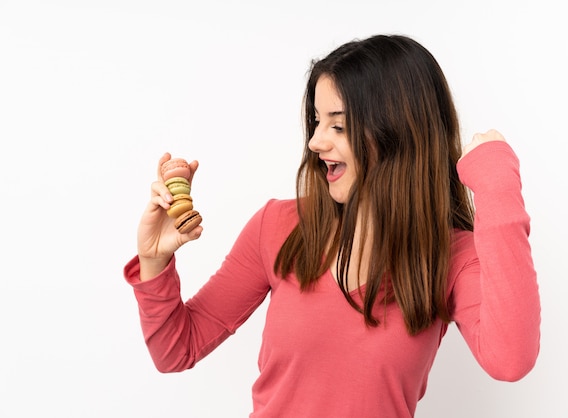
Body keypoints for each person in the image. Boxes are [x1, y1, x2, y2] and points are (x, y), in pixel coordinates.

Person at [124, 34, 541, 417]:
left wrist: (497, 185)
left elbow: (510, 360)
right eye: (318, 121)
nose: (316, 141)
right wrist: (153, 260)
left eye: (338, 125)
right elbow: (177, 350)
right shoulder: (279, 226)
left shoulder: (451, 256)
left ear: (397, 134)